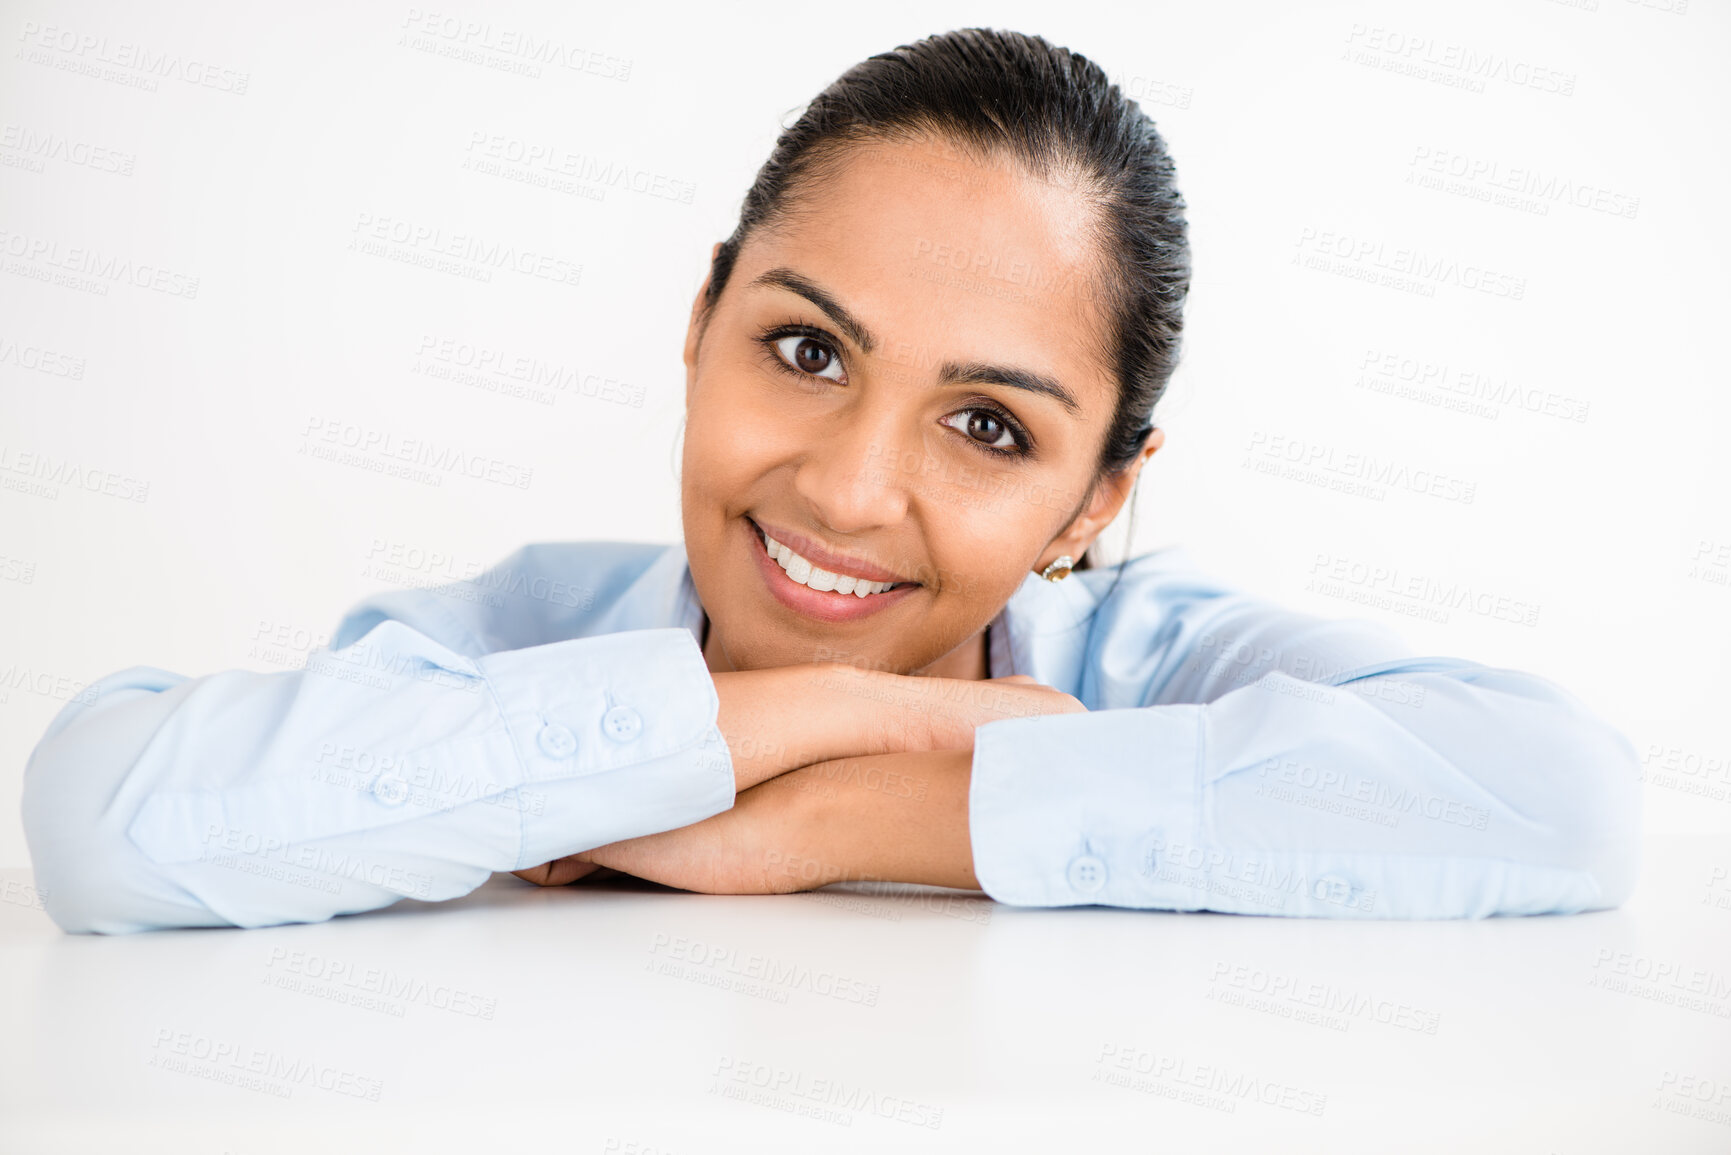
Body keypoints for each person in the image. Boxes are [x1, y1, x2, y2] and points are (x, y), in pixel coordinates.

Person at [21, 28, 1641, 935]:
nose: (852, 489)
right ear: (702, 316)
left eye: (990, 428)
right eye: (805, 351)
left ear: (1095, 500)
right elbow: (99, 817)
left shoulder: (1160, 668)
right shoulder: (521, 630)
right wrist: (856, 714)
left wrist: (852, 822)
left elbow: (1566, 800)